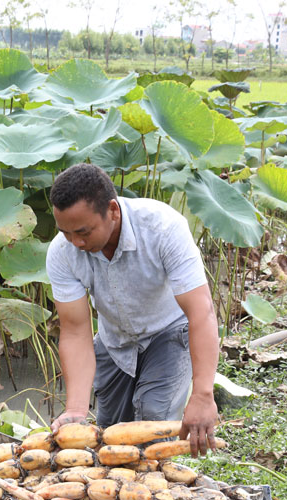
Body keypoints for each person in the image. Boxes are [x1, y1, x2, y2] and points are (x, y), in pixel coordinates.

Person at [45, 163, 220, 456]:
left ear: (112, 211)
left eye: (83, 232)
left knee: (152, 427)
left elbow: (201, 312)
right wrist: (75, 408)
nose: (75, 242)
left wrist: (203, 394)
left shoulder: (163, 228)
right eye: (65, 232)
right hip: (115, 339)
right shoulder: (63, 252)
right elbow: (75, 332)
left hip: (169, 332)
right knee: (107, 442)